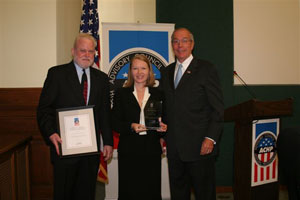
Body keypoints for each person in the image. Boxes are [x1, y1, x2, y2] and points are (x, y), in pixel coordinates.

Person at [37, 33, 113, 200]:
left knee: (86, 194)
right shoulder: (57, 74)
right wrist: (51, 133)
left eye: (91, 51)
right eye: (82, 50)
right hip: (64, 150)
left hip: (90, 153)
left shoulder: (101, 79)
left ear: (95, 54)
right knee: (64, 194)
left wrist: (108, 141)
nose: (87, 55)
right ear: (73, 51)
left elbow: (105, 113)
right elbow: (44, 109)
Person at [159, 27, 224, 200]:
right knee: (178, 194)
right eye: (176, 41)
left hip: (200, 148)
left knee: (204, 194)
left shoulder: (206, 69)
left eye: (184, 40)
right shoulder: (166, 72)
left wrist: (210, 138)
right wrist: (162, 134)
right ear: (172, 45)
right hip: (174, 148)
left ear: (192, 44)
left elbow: (217, 109)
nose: (180, 45)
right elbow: (166, 107)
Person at [112, 54, 167, 200]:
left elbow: (165, 121)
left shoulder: (159, 94)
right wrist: (131, 126)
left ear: (149, 71)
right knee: (129, 191)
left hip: (151, 150)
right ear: (130, 71)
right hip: (129, 150)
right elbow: (115, 122)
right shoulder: (121, 94)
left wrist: (163, 129)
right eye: (135, 68)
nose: (139, 72)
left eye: (143, 68)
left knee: (151, 190)